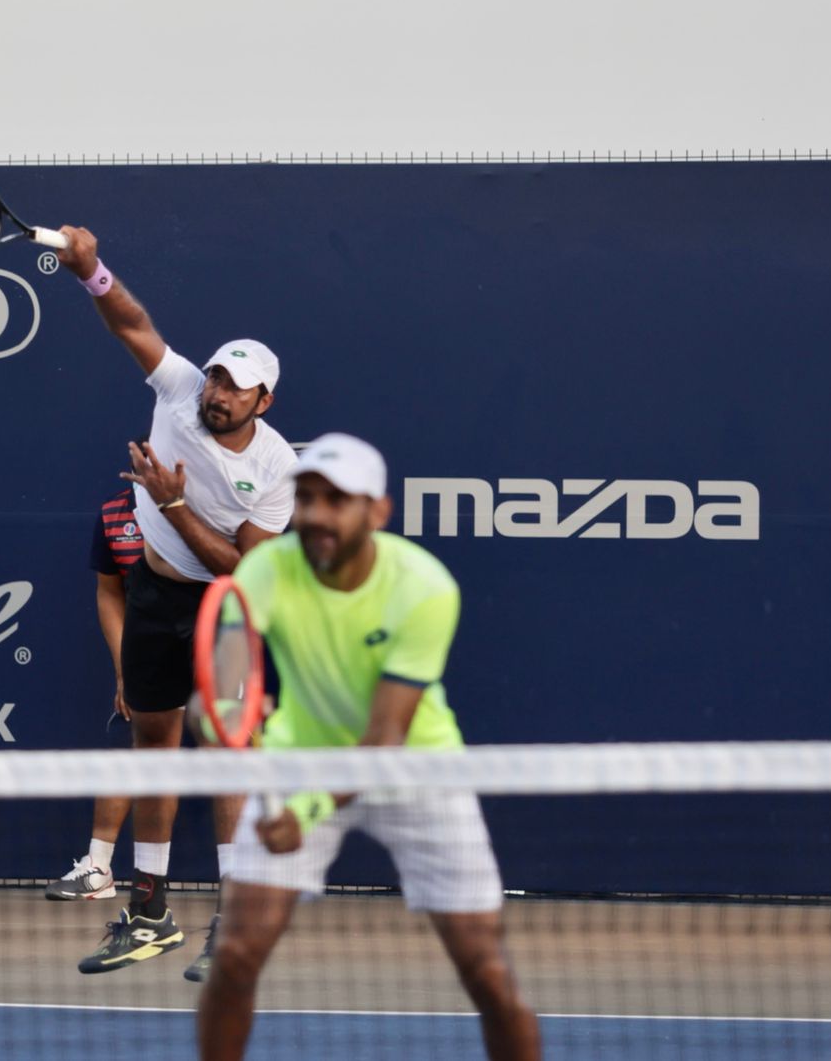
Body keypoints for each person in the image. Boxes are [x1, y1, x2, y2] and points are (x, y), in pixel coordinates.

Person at [196, 433, 540, 1061]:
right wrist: (215, 716)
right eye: (306, 498)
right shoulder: (265, 569)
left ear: (377, 512)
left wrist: (304, 811)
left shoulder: (424, 586)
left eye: (337, 500)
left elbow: (384, 740)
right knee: (236, 955)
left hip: (416, 770)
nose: (317, 515)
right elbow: (222, 689)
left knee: (487, 971)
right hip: (301, 760)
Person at [55, 226, 298, 978]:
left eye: (236, 387)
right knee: (153, 749)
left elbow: (242, 570)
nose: (218, 394)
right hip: (156, 599)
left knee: (226, 757)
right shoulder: (181, 390)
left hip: (227, 610)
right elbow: (132, 323)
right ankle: (149, 915)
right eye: (217, 379)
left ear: (264, 399)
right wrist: (91, 271)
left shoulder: (277, 467)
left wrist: (173, 503)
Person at [44, 484, 144, 901]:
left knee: (231, 756)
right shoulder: (114, 515)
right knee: (125, 745)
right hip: (149, 653)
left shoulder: (210, 503)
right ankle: (99, 868)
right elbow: (109, 592)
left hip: (214, 644)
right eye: (140, 457)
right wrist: (125, 670)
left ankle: (244, 879)